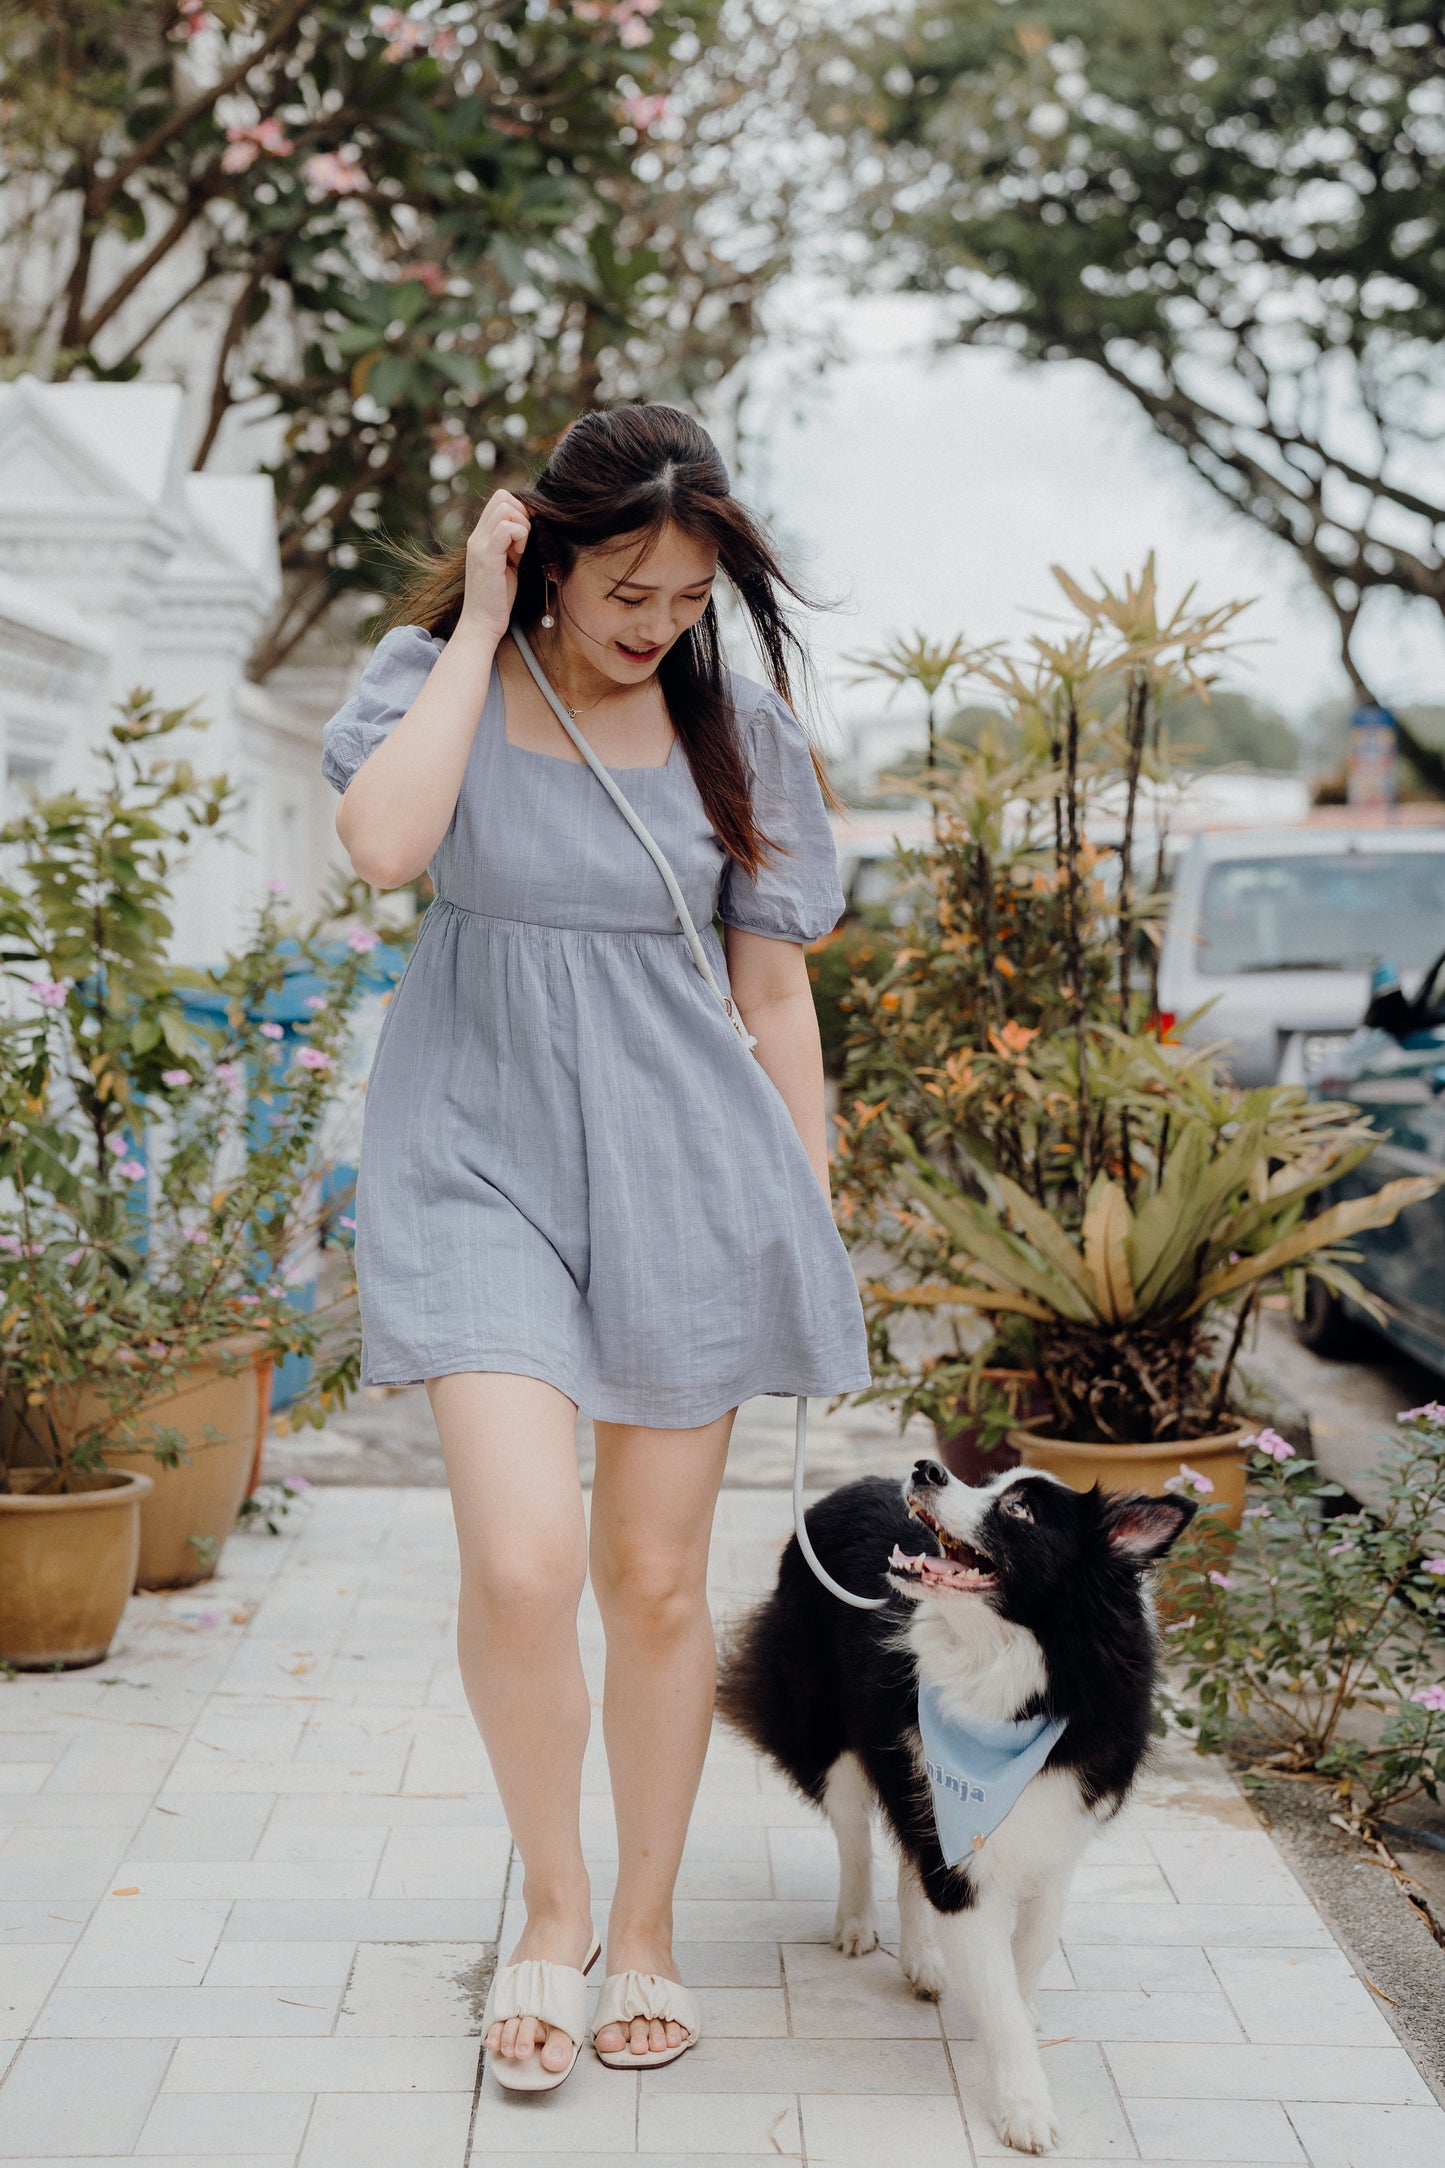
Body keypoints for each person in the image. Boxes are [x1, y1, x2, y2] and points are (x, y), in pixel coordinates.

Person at [321, 404, 871, 2092]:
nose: (655, 624)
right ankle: (545, 1915)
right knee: (519, 1563)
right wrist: (479, 627)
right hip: (472, 1155)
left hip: (685, 1171)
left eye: (688, 597)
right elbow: (385, 849)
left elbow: (772, 995)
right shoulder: (438, 688)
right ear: (543, 550)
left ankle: (643, 1928)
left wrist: (807, 1203)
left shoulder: (739, 733)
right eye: (627, 587)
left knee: (645, 1579)